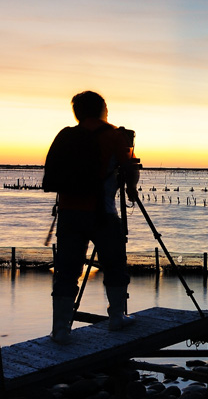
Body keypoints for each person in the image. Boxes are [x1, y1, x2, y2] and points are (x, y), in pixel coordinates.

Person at [43, 91, 140, 344]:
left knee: (66, 271)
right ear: (101, 109)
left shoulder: (66, 136)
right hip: (102, 212)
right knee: (115, 264)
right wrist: (131, 188)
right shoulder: (113, 135)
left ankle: (60, 329)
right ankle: (117, 317)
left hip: (68, 213)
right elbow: (129, 168)